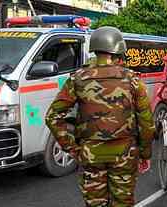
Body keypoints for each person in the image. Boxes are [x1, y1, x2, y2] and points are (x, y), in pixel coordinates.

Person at [45, 26, 155, 207]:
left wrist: (73, 149)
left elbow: (53, 117)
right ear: (118, 49)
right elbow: (146, 122)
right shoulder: (132, 79)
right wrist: (145, 154)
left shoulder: (77, 78)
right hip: (125, 154)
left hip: (90, 154)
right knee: (123, 203)